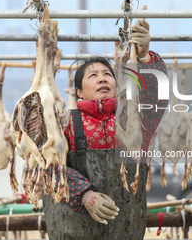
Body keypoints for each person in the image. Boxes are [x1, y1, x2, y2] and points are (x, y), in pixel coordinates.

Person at [42, 18, 168, 240]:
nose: (102, 78)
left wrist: (146, 57)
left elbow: (157, 96)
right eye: (93, 75)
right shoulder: (66, 123)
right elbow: (49, 168)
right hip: (75, 232)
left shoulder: (136, 118)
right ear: (79, 92)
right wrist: (84, 195)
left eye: (107, 74)